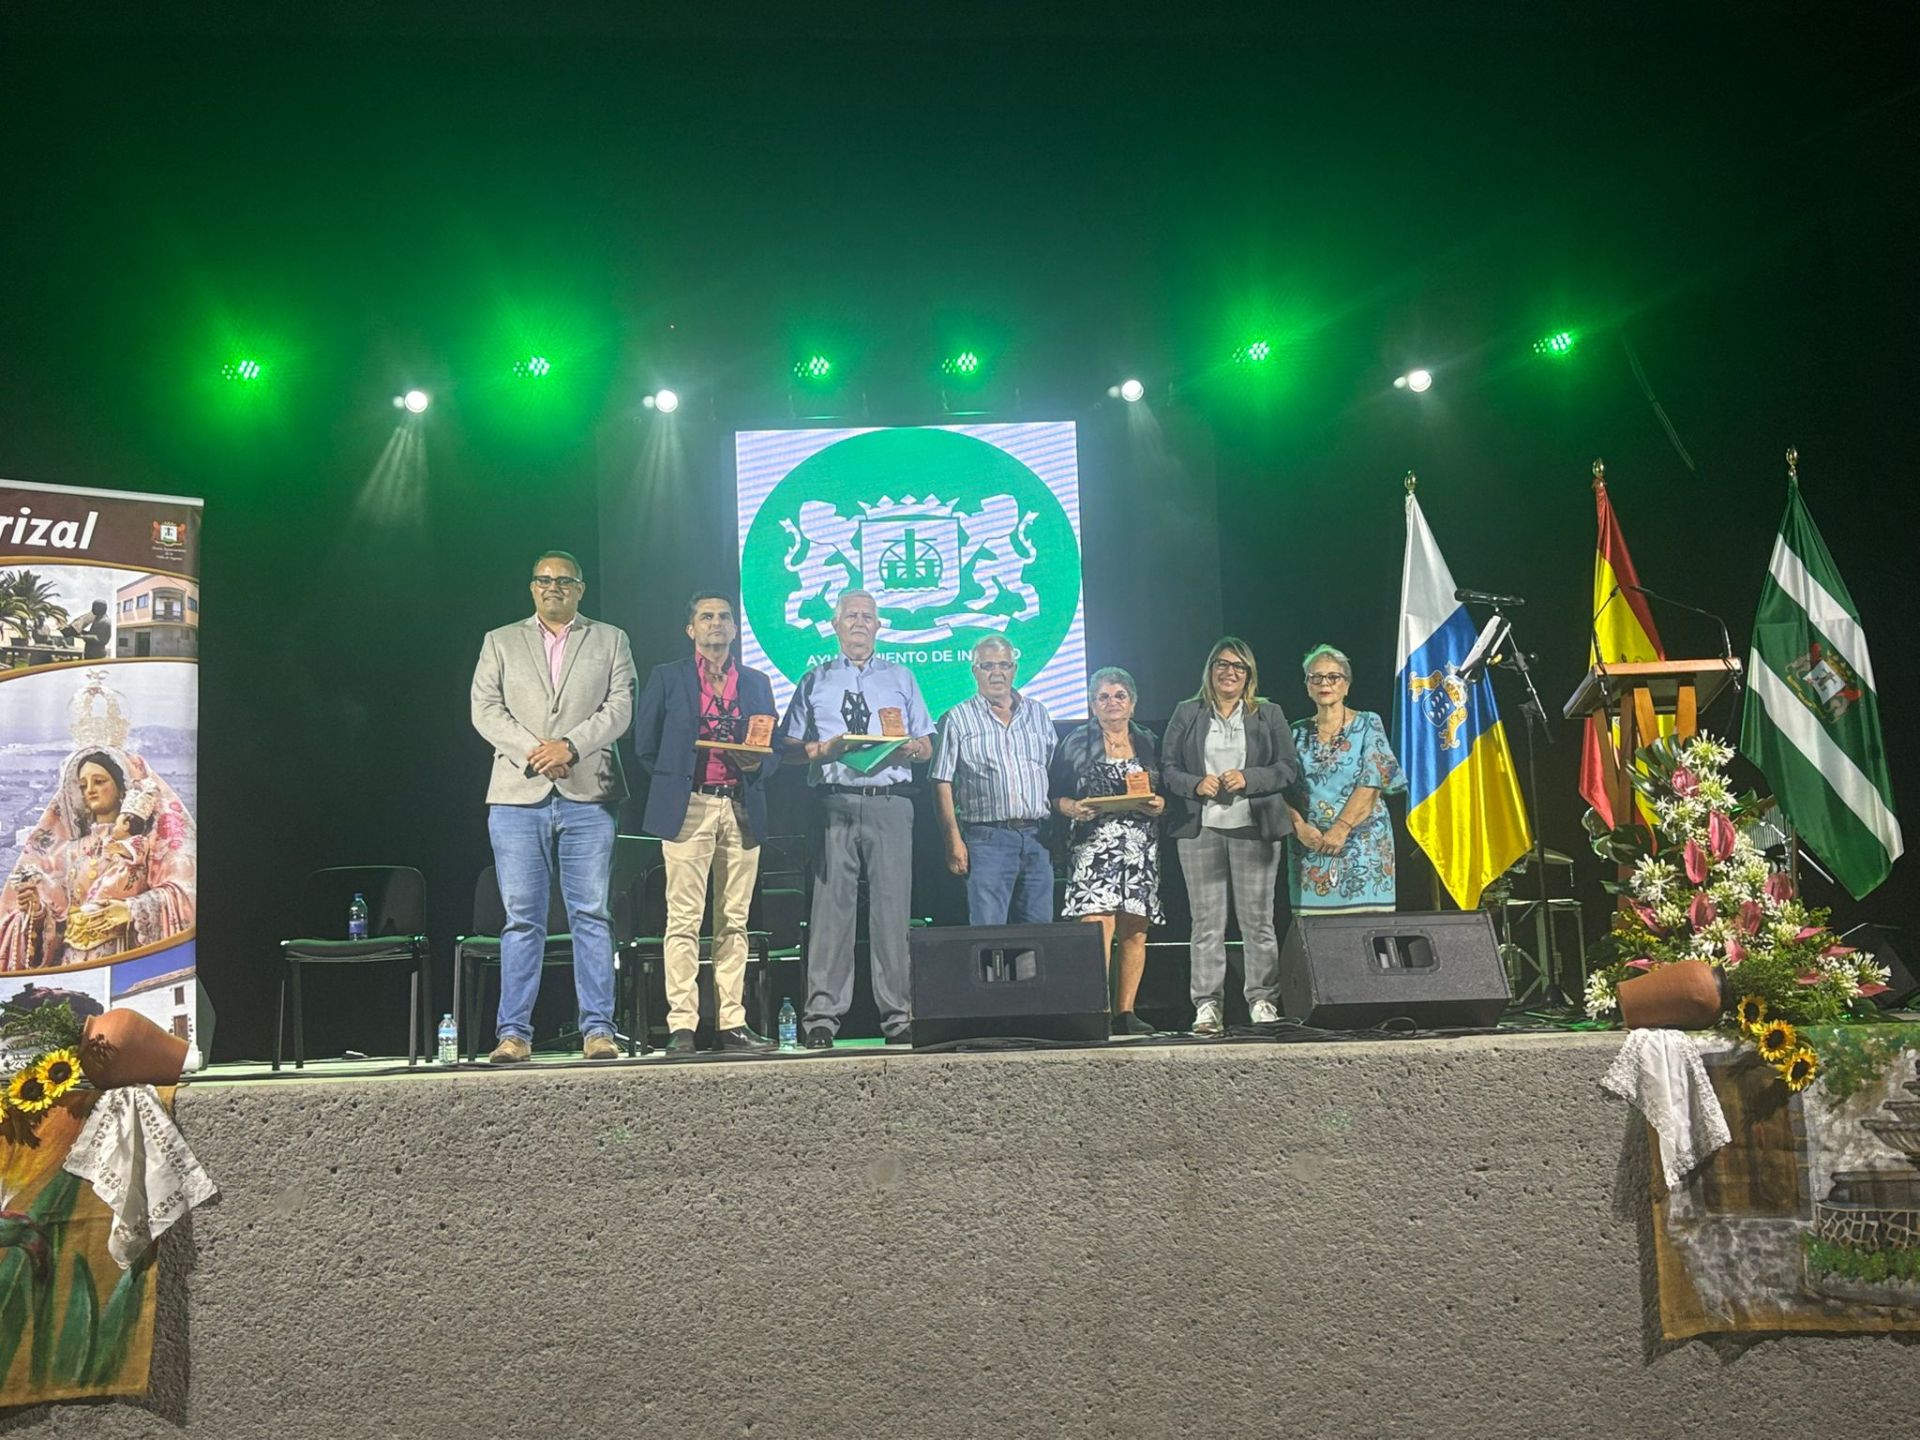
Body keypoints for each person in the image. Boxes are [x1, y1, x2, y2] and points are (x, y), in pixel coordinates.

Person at [470, 550, 635, 1063]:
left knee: (591, 914)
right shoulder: (499, 641)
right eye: (544, 580)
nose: (553, 587)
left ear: (580, 589)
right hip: (517, 796)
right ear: (532, 588)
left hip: (589, 793)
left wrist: (570, 746)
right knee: (522, 918)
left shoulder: (610, 638)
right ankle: (514, 1034)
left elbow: (620, 707)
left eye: (564, 581)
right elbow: (485, 709)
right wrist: (536, 752)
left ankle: (598, 1031)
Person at [780, 589, 933, 1048]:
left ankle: (898, 1017)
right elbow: (787, 750)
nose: (860, 623)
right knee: (831, 913)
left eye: (868, 616)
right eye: (851, 616)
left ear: (879, 626)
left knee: (892, 914)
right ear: (834, 625)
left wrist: (911, 747)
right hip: (834, 801)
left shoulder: (902, 677)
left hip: (890, 802)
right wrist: (823, 750)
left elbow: (927, 746)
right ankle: (822, 1017)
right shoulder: (814, 680)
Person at [634, 590, 781, 1054]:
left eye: (724, 617)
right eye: (706, 616)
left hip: (740, 805)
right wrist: (678, 779)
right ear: (691, 629)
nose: (716, 623)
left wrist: (756, 766)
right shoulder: (668, 678)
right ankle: (682, 1025)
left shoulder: (756, 682)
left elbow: (771, 749)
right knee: (683, 919)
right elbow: (645, 745)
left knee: (734, 921)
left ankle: (732, 1023)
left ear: (735, 629)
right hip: (690, 805)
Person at [1161, 637, 1303, 1035]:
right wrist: (1194, 784)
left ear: (1249, 676)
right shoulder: (1187, 712)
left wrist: (1249, 778)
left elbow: (1287, 768)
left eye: (1239, 667)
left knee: (1257, 921)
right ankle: (1207, 1006)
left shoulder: (1268, 713)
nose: (1229, 672)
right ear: (1210, 670)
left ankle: (1262, 1001)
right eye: (1222, 664)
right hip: (1200, 829)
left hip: (1255, 829)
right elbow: (1167, 767)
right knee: (1206, 923)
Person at [1, 747, 196, 971]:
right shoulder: (71, 850)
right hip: (73, 960)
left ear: (121, 787)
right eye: (83, 785)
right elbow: (61, 922)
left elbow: (182, 894)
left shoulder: (142, 845)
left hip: (124, 953)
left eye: (100, 781)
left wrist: (131, 909)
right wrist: (37, 913)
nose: (90, 790)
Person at [1050, 666, 1165, 1036]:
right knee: (1095, 926)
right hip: (1093, 843)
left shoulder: (1148, 740)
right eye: (1103, 696)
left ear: (1132, 703)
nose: (1112, 703)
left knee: (1135, 928)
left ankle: (1125, 1012)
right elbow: (1054, 794)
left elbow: (1167, 788)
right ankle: (1093, 1007)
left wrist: (1161, 804)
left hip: (1139, 846)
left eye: (1119, 695)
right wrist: (1070, 807)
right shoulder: (1075, 741)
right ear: (1091, 704)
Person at [932, 635, 1057, 925]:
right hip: (986, 840)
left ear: (1015, 668)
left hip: (1038, 839)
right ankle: (992, 974)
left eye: (1004, 664)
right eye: (987, 665)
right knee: (989, 934)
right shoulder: (956, 718)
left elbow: (1050, 771)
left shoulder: (1039, 714)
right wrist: (953, 839)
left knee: (1039, 935)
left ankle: (1029, 975)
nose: (996, 672)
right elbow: (941, 781)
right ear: (974, 671)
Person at [1286, 644, 1406, 914]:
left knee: (1366, 937)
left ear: (1347, 685)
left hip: (1362, 847)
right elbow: (1280, 791)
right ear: (1307, 685)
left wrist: (1341, 829)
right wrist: (1297, 827)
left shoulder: (1368, 723)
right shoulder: (1295, 732)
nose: (1324, 683)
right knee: (1316, 940)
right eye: (1315, 677)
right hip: (1310, 848)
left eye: (1333, 677)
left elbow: (1372, 784)